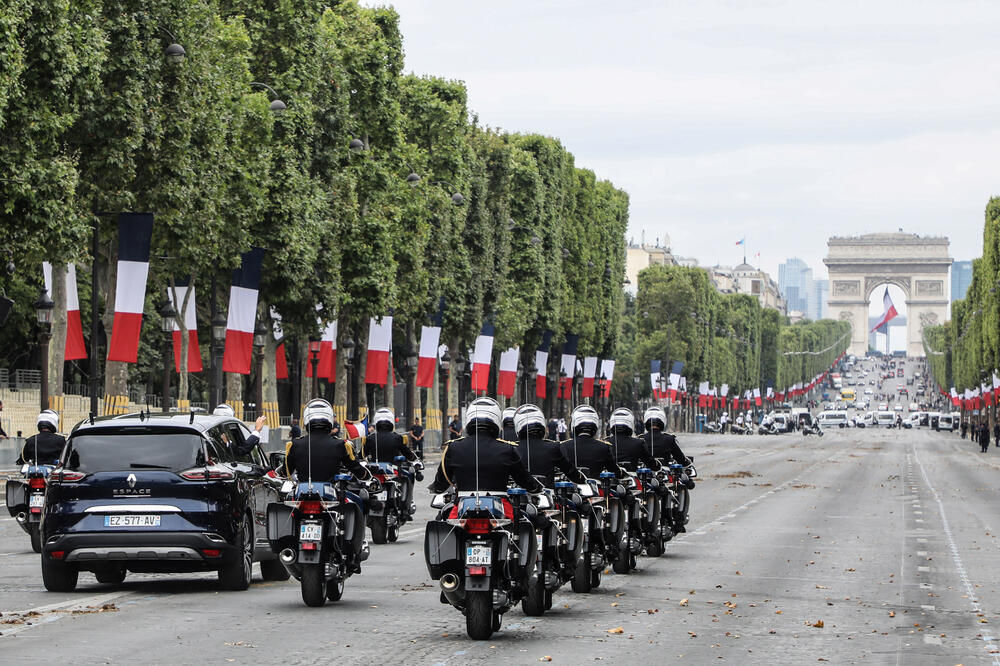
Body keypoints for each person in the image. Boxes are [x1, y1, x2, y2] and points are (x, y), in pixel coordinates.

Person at [286, 399, 376, 572]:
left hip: (302, 493)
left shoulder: (295, 444)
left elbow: (286, 471)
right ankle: (353, 553)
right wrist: (367, 477)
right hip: (330, 493)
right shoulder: (340, 444)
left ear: (306, 420)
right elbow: (355, 468)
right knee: (358, 502)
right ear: (329, 420)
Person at [431, 397, 542, 494]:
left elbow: (441, 484)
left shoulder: (453, 447)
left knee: (445, 511)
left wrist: (437, 488)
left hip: (462, 505)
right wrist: (535, 487)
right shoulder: (507, 449)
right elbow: (523, 479)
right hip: (500, 505)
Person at [513, 404, 586, 487]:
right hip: (547, 492)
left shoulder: (513, 449)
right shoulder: (553, 448)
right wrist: (581, 478)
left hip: (518, 492)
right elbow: (570, 472)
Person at [560, 405, 625, 479]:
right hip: (596, 484)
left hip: (572, 485)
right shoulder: (603, 446)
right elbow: (613, 470)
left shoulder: (564, 446)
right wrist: (621, 473)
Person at [607, 407, 661, 472]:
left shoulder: (604, 443)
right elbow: (651, 464)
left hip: (608, 476)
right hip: (630, 475)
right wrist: (657, 465)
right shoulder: (638, 443)